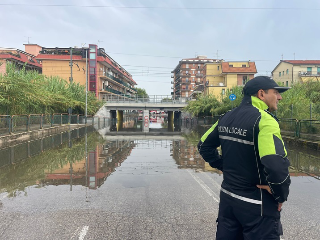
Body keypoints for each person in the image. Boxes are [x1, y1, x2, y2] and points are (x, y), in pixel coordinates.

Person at [198, 76, 291, 240]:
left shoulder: (226, 117)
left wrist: (223, 166)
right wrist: (279, 194)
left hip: (228, 199)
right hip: (257, 204)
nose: (279, 97)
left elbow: (203, 146)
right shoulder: (265, 120)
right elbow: (275, 164)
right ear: (261, 94)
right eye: (276, 92)